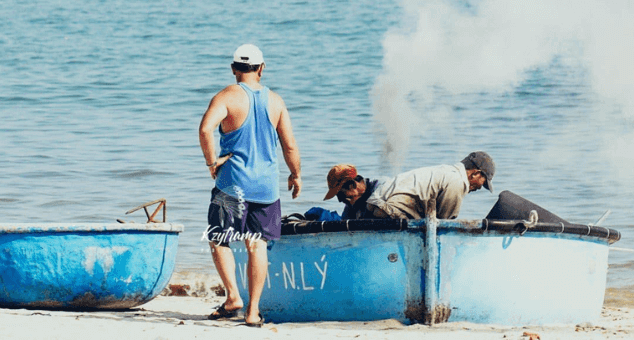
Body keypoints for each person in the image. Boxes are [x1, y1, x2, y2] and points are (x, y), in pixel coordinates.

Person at [198, 43, 301, 328]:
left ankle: (233, 296)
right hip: (266, 187)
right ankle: (253, 312)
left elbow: (205, 129)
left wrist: (211, 163)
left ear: (233, 69)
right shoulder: (276, 101)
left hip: (232, 184)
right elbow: (289, 145)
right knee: (256, 246)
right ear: (261, 68)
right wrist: (296, 175)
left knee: (219, 239)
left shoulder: (226, 96)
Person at [323, 152, 495, 221]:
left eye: (342, 196)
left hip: (380, 205)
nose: (480, 188)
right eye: (483, 184)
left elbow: (441, 221)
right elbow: (445, 225)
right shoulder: (456, 180)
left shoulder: (448, 173)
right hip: (386, 208)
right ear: (475, 174)